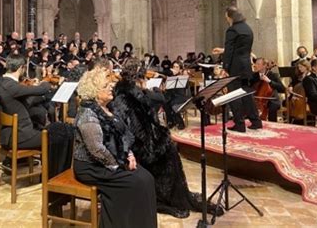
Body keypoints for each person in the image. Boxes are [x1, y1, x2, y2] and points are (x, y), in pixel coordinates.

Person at [109, 59, 222, 219]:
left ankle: (177, 194)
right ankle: (166, 198)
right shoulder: (126, 98)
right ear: (138, 78)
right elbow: (136, 132)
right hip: (135, 149)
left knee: (170, 147)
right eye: (144, 78)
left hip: (142, 142)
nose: (146, 81)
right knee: (168, 153)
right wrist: (159, 141)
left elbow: (148, 123)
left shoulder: (134, 93)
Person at [73, 67, 157, 228]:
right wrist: (121, 163)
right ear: (94, 91)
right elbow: (97, 150)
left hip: (113, 159)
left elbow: (123, 136)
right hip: (92, 166)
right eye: (106, 85)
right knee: (135, 182)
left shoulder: (108, 109)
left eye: (110, 83)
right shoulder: (87, 115)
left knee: (147, 179)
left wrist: (129, 154)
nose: (112, 86)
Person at [212, 6, 262, 132]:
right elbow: (242, 49)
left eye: (226, 17)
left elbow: (230, 51)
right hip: (246, 66)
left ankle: (239, 124)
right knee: (247, 94)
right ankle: (256, 121)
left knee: (234, 95)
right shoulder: (248, 29)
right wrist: (223, 50)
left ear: (230, 16)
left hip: (235, 67)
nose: (226, 19)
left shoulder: (232, 30)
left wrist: (225, 67)